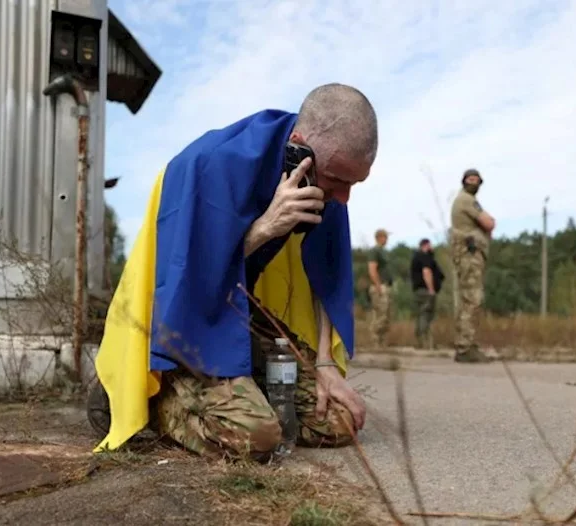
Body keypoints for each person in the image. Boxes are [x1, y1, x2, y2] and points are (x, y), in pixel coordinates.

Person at [88, 83, 378, 462]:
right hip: (179, 317)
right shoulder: (211, 163)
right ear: (300, 146)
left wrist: (324, 364)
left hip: (237, 306)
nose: (343, 197)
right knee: (255, 436)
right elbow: (185, 278)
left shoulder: (322, 179)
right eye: (338, 180)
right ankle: (142, 397)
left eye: (354, 183)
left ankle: (240, 390)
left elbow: (327, 274)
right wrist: (265, 228)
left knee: (338, 421)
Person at [449, 168, 496, 363]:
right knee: (472, 299)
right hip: (469, 256)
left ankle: (465, 343)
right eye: (470, 179)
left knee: (468, 299)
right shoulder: (467, 200)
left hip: (468, 257)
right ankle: (465, 347)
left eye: (477, 179)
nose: (473, 182)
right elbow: (489, 223)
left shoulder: (464, 199)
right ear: (464, 181)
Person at [410, 238, 444, 349]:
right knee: (426, 314)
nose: (432, 248)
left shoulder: (416, 257)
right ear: (426, 245)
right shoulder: (424, 257)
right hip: (425, 290)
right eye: (430, 245)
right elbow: (427, 272)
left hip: (418, 290)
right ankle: (425, 342)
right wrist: (431, 289)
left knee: (421, 314)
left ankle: (421, 342)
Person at [367, 229, 393, 348]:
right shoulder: (375, 251)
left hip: (386, 285)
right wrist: (378, 286)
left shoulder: (383, 251)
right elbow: (372, 269)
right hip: (379, 286)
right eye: (385, 237)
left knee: (386, 316)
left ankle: (381, 343)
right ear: (379, 237)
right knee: (380, 315)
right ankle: (374, 340)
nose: (387, 239)